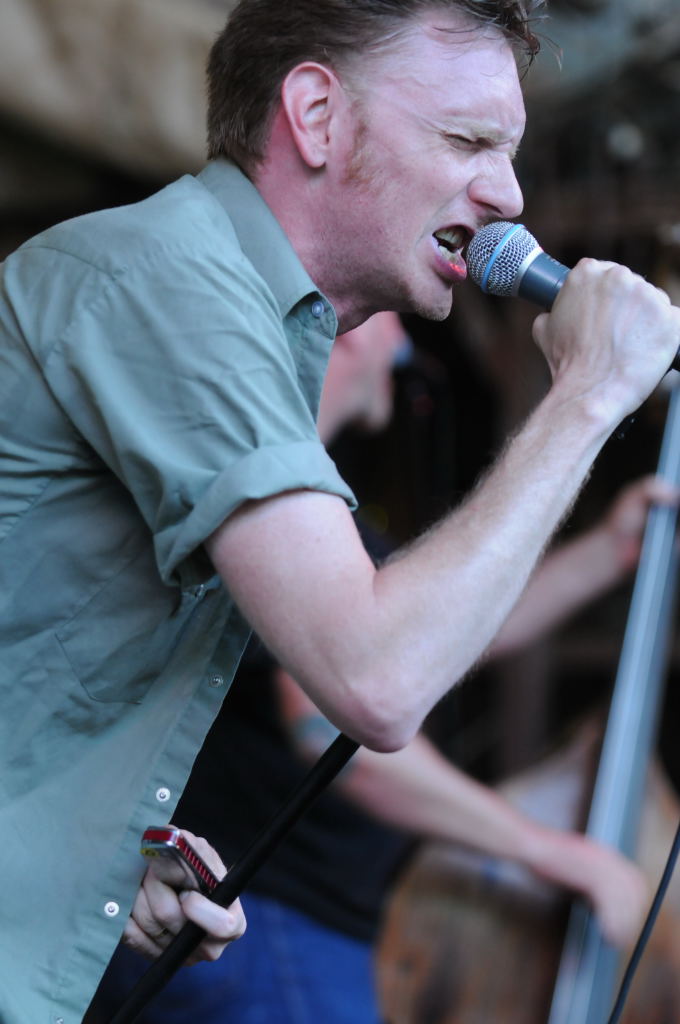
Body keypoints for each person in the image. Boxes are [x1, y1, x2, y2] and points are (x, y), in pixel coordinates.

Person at [2, 2, 680, 1021]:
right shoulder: (173, 282)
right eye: (467, 140)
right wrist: (587, 394)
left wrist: (86, 855)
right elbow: (375, 680)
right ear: (316, 116)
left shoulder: (237, 316)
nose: (507, 194)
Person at [90, 313, 672, 1023]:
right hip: (266, 926)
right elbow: (344, 740)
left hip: (271, 926)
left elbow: (442, 637)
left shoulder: (313, 514)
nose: (404, 348)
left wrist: (610, 549)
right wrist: (548, 852)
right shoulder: (279, 513)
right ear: (347, 333)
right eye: (393, 321)